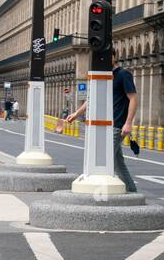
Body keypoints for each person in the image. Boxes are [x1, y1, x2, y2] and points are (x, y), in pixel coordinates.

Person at [57, 50, 138, 192]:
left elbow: (133, 99)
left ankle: (100, 193)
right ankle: (131, 190)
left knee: (104, 159)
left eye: (109, 56)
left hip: (117, 125)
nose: (106, 59)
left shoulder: (123, 75)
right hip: (105, 126)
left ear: (114, 57)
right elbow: (91, 99)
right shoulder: (103, 77)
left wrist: (128, 123)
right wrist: (76, 113)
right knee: (117, 162)